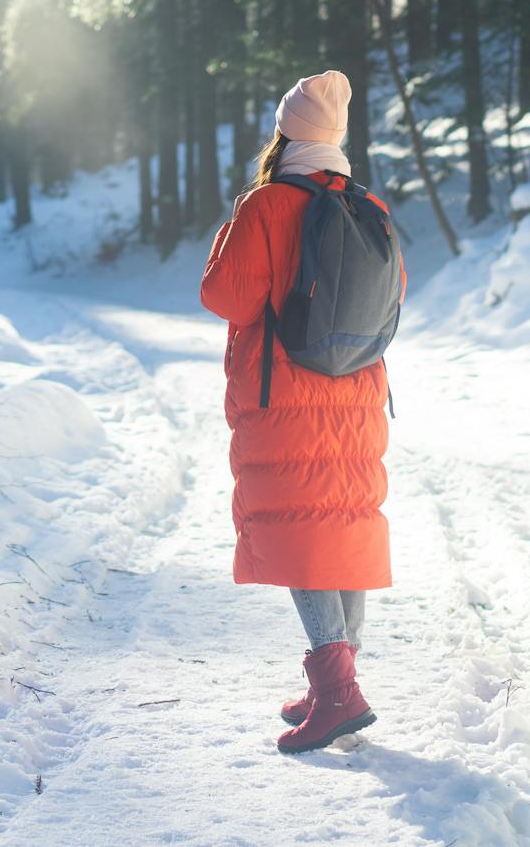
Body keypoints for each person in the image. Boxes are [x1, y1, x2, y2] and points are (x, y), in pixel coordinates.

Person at [199, 69, 395, 754]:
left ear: (286, 134)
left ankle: (338, 692)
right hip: (357, 394)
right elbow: (393, 293)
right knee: (339, 529)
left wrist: (235, 224)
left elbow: (227, 297)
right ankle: (336, 679)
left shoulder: (267, 204)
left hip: (287, 396)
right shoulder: (368, 203)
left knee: (301, 536)